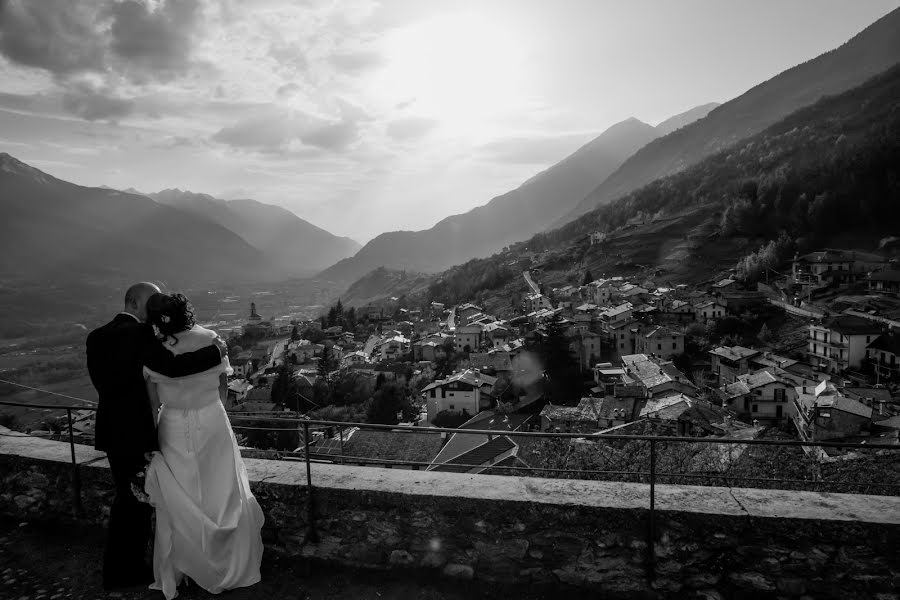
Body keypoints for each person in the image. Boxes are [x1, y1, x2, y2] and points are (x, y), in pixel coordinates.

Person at [86, 282, 227, 591]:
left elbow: (104, 385)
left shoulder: (95, 337)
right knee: (135, 504)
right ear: (135, 303)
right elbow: (172, 367)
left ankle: (119, 570)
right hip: (137, 433)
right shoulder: (139, 334)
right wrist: (216, 351)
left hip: (111, 431)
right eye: (151, 306)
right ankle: (124, 574)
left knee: (126, 498)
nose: (156, 314)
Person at [142, 292, 264, 599]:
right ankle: (228, 564)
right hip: (211, 419)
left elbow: (153, 401)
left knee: (181, 495)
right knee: (220, 490)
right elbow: (223, 388)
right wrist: (214, 413)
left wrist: (154, 434)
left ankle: (184, 566)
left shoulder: (155, 350)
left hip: (171, 426)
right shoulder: (211, 340)